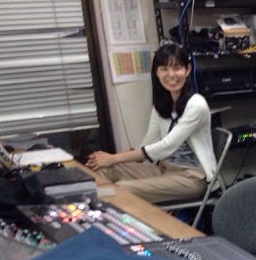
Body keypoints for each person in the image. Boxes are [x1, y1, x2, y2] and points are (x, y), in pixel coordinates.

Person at [85, 43, 216, 204]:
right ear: (157, 72)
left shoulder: (197, 105)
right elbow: (148, 143)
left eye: (176, 68)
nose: (171, 74)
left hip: (193, 177)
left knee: (121, 190)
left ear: (187, 70)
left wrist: (113, 158)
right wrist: (106, 160)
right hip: (165, 169)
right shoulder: (162, 105)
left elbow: (165, 146)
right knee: (105, 170)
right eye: (164, 69)